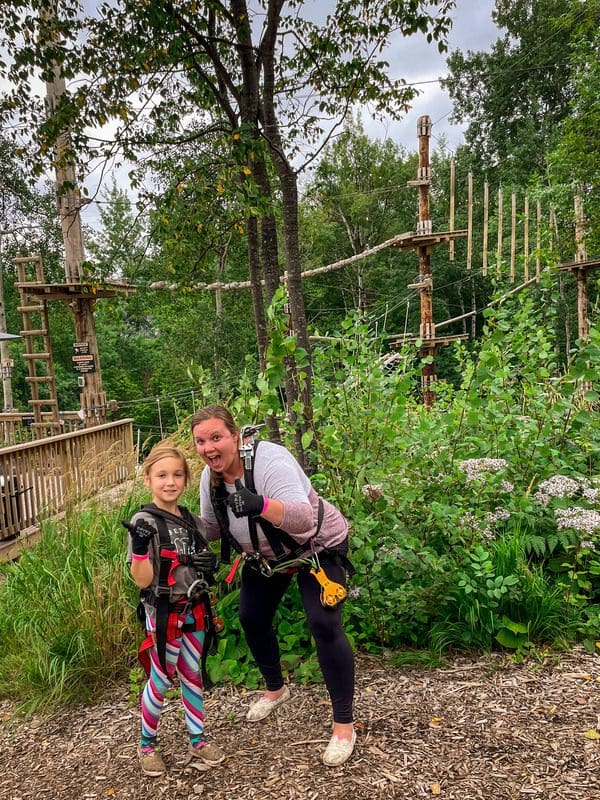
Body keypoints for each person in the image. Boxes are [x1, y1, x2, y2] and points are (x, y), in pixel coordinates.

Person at [191, 405, 356, 767]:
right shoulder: (210, 478)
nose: (209, 448)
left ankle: (344, 725)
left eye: (216, 437)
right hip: (268, 557)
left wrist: (260, 504)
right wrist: (184, 538)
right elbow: (212, 528)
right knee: (251, 616)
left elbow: (301, 518)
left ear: (235, 436)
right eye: (201, 441)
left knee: (323, 623)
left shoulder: (269, 461)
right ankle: (275, 689)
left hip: (316, 547)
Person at [125, 442, 225, 777]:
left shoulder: (192, 521)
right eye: (162, 475)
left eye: (177, 475)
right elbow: (142, 580)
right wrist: (140, 549)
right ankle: (146, 744)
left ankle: (197, 738)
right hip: (164, 612)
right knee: (161, 677)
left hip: (194, 608)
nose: (170, 482)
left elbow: (201, 564)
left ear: (185, 479)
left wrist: (208, 564)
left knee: (192, 673)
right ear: (148, 479)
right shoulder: (144, 522)